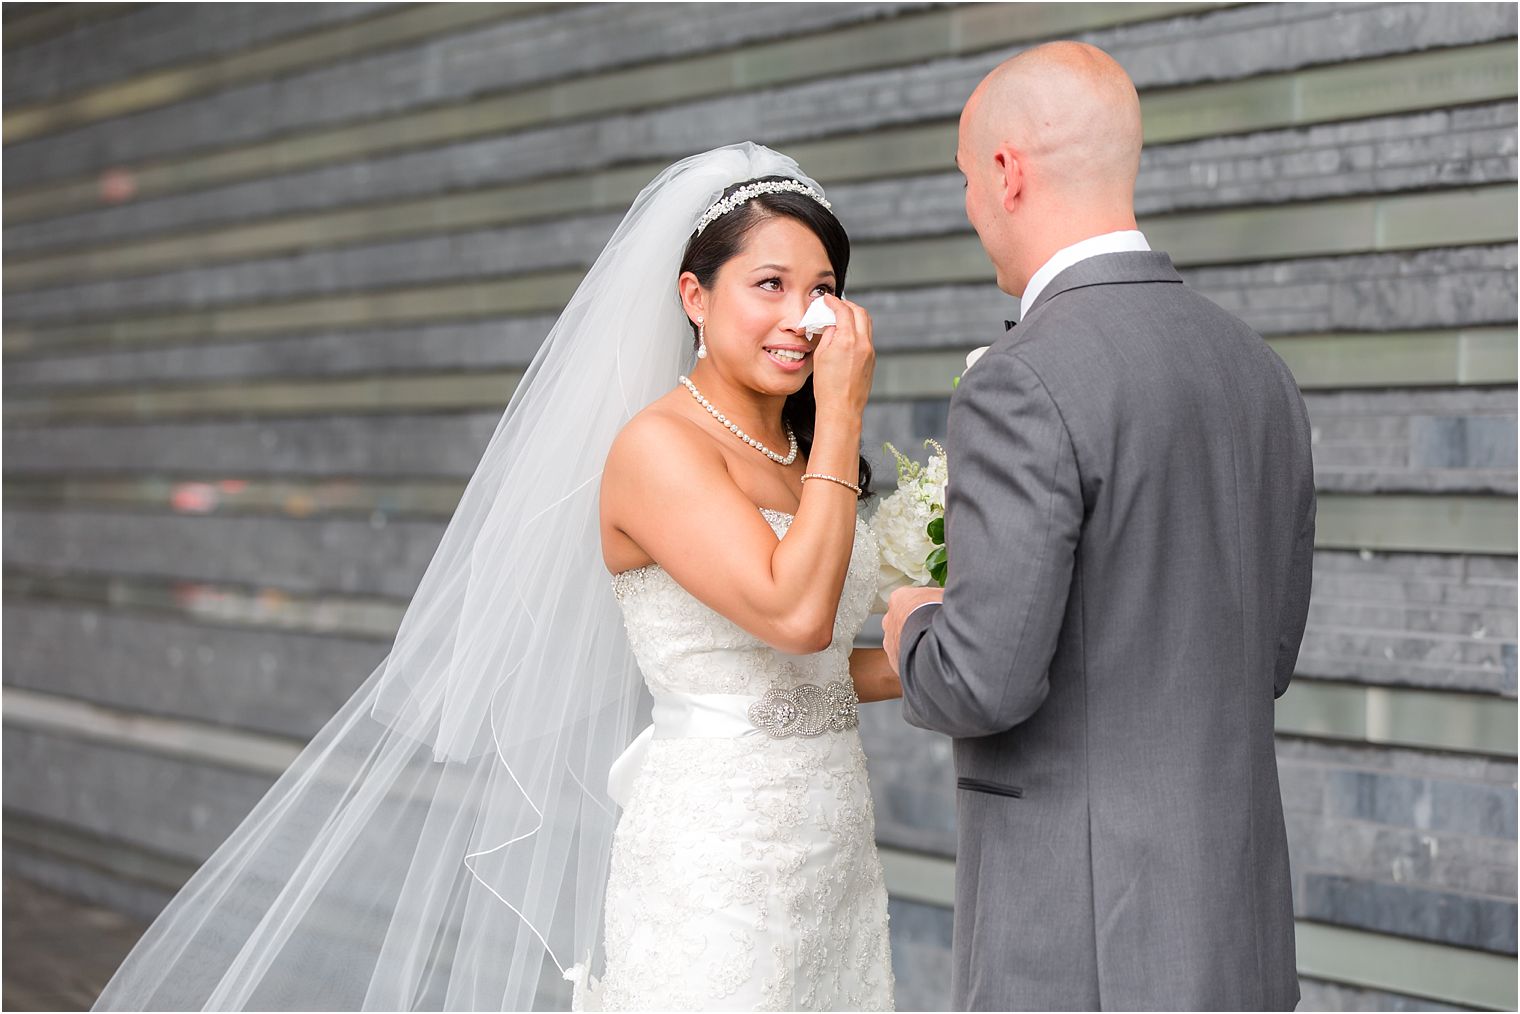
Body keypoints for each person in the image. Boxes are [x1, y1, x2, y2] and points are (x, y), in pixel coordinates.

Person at [91, 143, 895, 1013]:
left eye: (822, 289)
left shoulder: (803, 458)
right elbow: (797, 613)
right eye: (770, 284)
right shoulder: (660, 449)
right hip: (718, 859)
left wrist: (936, 651)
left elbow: (799, 674)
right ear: (694, 297)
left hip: (834, 844)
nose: (806, 317)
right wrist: (845, 407)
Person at [880, 42, 1314, 1011]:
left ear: (1006, 172)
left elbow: (981, 678)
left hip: (1074, 945)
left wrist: (911, 620)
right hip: (1233, 935)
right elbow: (1267, 654)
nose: (967, 207)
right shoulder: (1256, 371)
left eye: (962, 179)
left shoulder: (1020, 381)